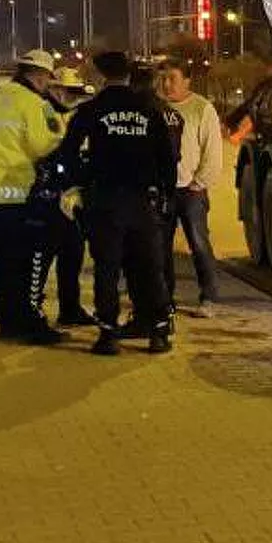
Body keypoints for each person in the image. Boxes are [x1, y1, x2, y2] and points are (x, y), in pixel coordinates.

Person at [61, 51, 176, 357]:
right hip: (142, 201)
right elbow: (168, 156)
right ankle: (159, 332)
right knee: (150, 267)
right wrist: (165, 194)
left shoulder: (92, 109)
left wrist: (83, 180)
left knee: (107, 268)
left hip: (105, 200)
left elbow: (68, 151)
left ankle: (108, 335)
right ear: (129, 76)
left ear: (100, 77)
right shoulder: (150, 110)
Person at [0, 49, 68, 344]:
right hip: (22, 195)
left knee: (0, 265)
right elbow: (44, 146)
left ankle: (6, 324)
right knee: (28, 264)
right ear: (41, 76)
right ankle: (30, 325)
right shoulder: (34, 104)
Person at [155, 58, 224, 317]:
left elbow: (212, 151)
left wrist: (200, 182)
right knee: (161, 246)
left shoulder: (201, 108)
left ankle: (210, 297)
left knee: (199, 243)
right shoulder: (156, 108)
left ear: (187, 80)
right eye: (162, 78)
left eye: (172, 77)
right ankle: (164, 298)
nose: (166, 83)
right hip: (163, 189)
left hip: (191, 190)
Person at [43, 66, 95, 326]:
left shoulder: (78, 114)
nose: (70, 97)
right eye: (66, 91)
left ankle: (70, 308)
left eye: (74, 92)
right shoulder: (43, 110)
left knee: (72, 254)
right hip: (48, 192)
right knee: (42, 257)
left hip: (73, 193)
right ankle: (35, 310)